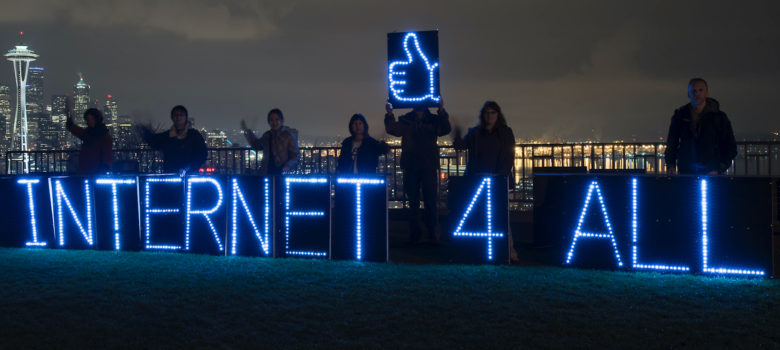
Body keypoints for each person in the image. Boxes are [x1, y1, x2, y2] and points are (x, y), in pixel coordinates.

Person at [453, 100, 518, 261]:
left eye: (492, 112)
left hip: (498, 181)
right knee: (481, 216)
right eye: (487, 112)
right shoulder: (475, 133)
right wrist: (457, 135)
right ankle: (483, 250)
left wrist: (501, 174)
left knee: (502, 217)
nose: (489, 116)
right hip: (477, 181)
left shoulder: (505, 132)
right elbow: (461, 146)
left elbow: (509, 156)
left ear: (498, 115)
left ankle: (510, 251)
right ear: (483, 115)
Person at [385, 99, 451, 244]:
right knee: (424, 201)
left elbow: (392, 129)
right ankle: (428, 233)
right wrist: (441, 111)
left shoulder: (407, 120)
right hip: (421, 165)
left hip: (416, 165)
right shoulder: (431, 120)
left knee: (421, 202)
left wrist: (390, 114)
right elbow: (445, 129)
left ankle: (421, 233)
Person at [665, 78, 737, 175]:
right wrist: (671, 164)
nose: (697, 93)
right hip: (687, 171)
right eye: (694, 91)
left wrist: (720, 168)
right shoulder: (680, 116)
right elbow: (672, 143)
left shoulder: (719, 117)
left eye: (700, 90)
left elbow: (730, 145)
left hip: (712, 171)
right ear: (688, 94)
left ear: (707, 93)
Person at [140, 105, 207, 174]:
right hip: (171, 174)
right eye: (176, 115)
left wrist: (189, 166)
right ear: (172, 118)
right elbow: (154, 142)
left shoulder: (194, 135)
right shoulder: (166, 136)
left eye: (181, 115)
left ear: (185, 118)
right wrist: (144, 131)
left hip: (190, 174)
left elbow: (202, 154)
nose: (178, 117)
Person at [240, 108, 299, 175]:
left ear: (282, 121)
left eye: (277, 119)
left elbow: (295, 155)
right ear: (269, 122)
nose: (274, 122)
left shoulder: (288, 136)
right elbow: (256, 145)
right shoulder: (267, 135)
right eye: (271, 120)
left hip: (281, 171)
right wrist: (247, 131)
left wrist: (287, 166)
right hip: (268, 171)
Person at [66, 102, 112, 174]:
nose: (89, 122)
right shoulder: (88, 133)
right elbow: (77, 131)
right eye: (88, 119)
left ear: (97, 120)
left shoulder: (104, 137)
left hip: (96, 170)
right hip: (85, 169)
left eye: (91, 119)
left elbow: (107, 154)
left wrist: (104, 168)